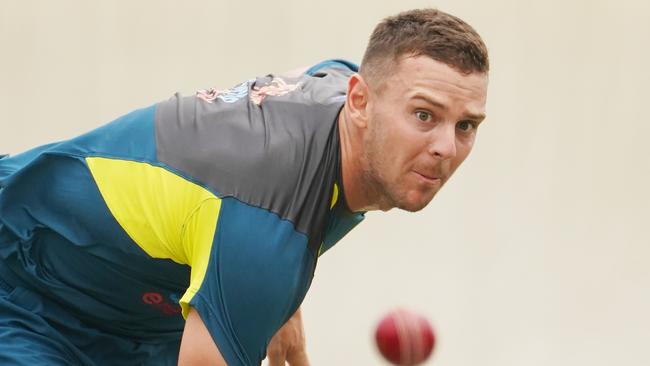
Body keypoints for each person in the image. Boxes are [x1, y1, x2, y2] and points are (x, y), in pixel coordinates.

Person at [0, 8, 489, 366]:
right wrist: (267, 279)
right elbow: (259, 208)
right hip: (25, 295)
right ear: (360, 102)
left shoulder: (338, 84)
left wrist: (281, 299)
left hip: (130, 315)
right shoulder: (264, 231)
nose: (446, 146)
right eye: (423, 116)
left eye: (466, 126)